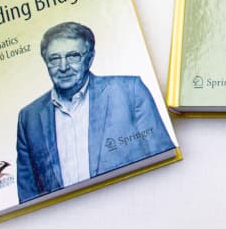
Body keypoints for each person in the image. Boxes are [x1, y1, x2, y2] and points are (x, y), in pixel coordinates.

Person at [16, 22, 174, 203]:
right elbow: (29, 197)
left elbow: (165, 160)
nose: (63, 67)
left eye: (73, 56)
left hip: (135, 202)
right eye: (54, 58)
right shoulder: (29, 118)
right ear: (45, 62)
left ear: (90, 58)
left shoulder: (130, 92)